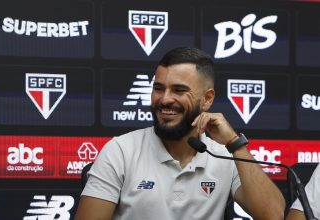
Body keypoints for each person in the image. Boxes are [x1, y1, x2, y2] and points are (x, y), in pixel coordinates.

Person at [74, 46, 285, 220]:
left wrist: (234, 143)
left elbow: (273, 215)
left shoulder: (225, 155)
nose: (164, 99)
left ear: (207, 99)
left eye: (179, 90)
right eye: (158, 88)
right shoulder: (120, 151)